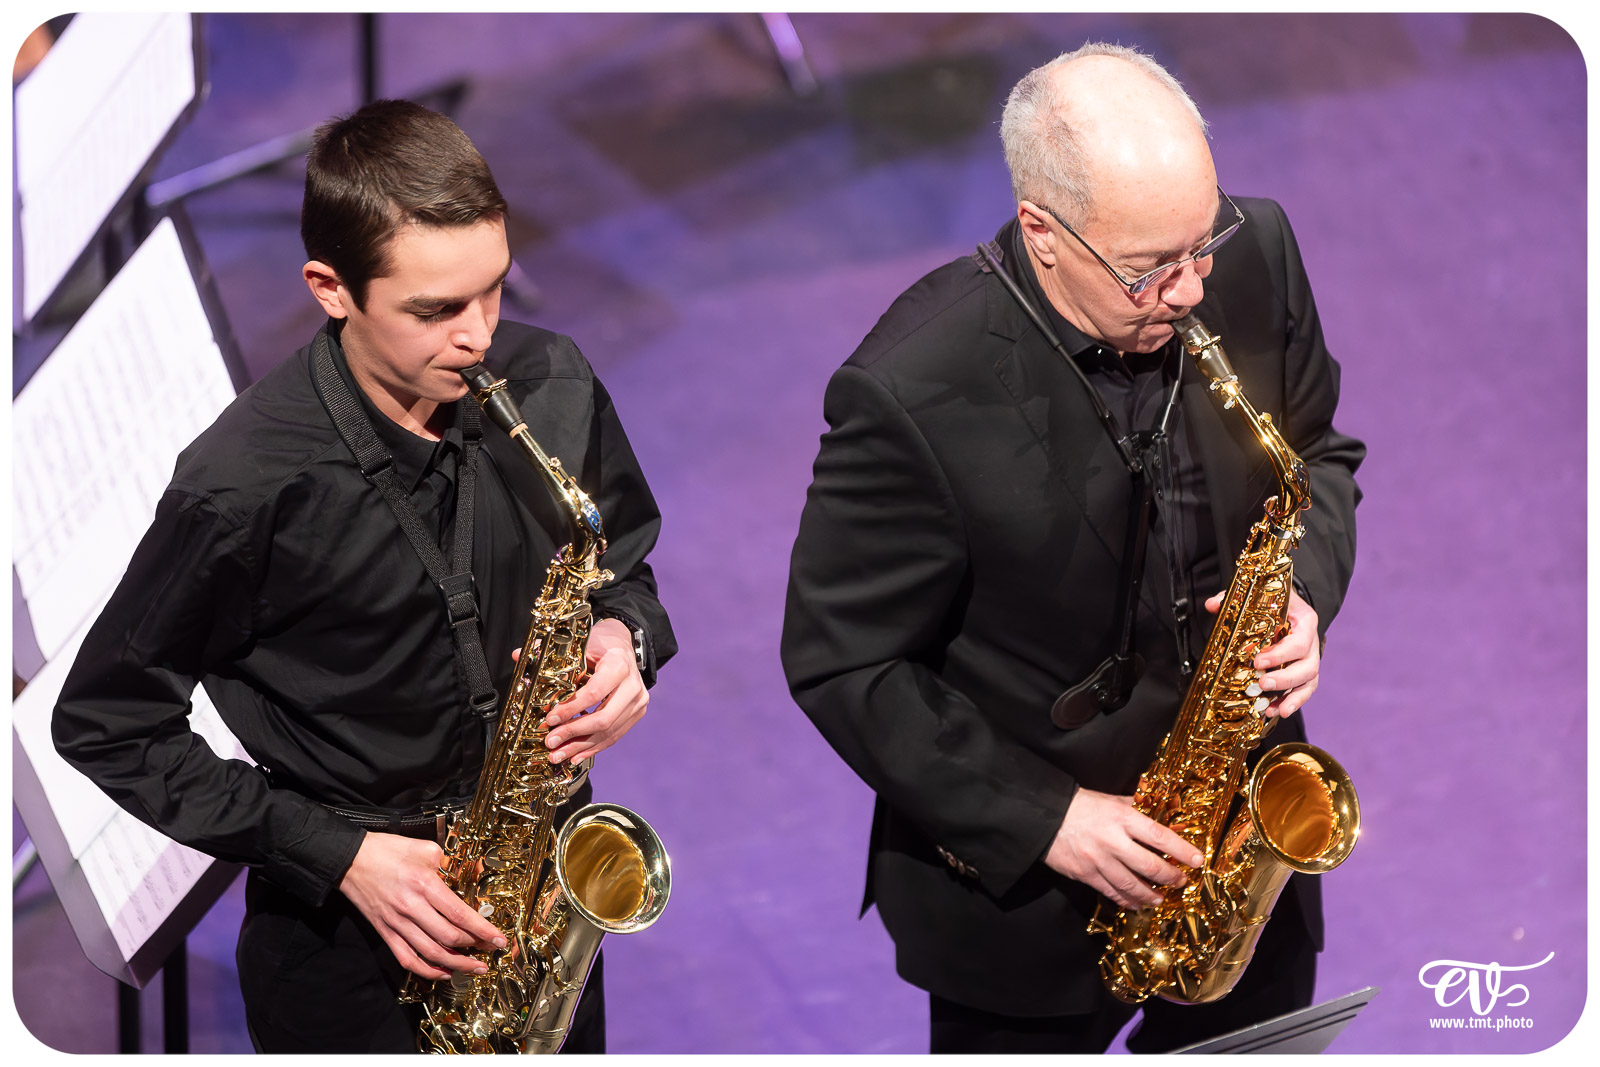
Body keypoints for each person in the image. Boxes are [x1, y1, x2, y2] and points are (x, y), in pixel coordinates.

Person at [52, 99, 675, 1054]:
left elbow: (622, 559)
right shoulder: (246, 486)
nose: (479, 338)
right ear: (329, 288)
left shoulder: (551, 380)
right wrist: (336, 855)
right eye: (435, 310)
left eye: (493, 290)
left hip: (532, 896)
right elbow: (106, 720)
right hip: (346, 943)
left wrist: (624, 635)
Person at [781, 43, 1363, 1054]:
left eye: (1201, 243)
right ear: (1041, 233)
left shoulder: (1254, 249)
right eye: (1149, 269)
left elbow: (1317, 452)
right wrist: (1049, 818)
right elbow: (844, 661)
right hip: (1026, 906)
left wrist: (1304, 592)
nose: (1189, 289)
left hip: (1237, 840)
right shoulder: (909, 393)